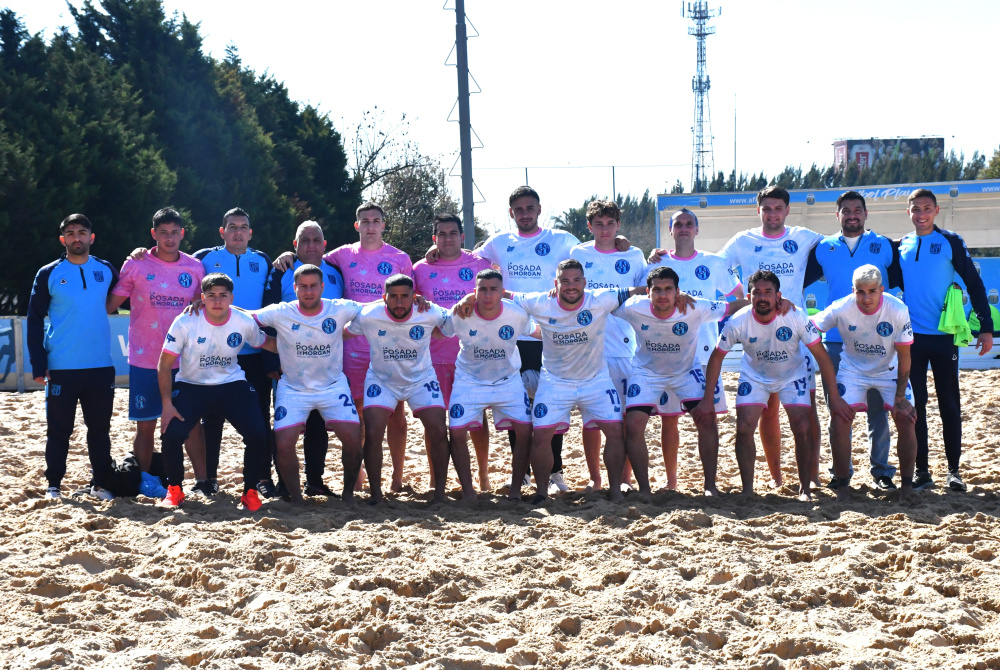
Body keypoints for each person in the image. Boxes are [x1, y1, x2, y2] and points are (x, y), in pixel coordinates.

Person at [132, 208, 278, 496]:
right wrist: (142, 253)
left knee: (259, 418)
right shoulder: (204, 258)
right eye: (232, 226)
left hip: (250, 350)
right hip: (209, 350)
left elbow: (272, 302)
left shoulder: (263, 260)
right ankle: (208, 479)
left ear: (251, 232)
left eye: (244, 226)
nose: (238, 231)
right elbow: (176, 266)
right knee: (210, 421)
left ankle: (262, 478)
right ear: (222, 231)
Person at [274, 202, 414, 492]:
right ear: (357, 225)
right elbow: (309, 257)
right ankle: (359, 475)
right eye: (365, 220)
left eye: (376, 220)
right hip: (347, 347)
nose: (371, 225)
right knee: (358, 412)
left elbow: (412, 295)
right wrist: (288, 255)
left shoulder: (399, 258)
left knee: (396, 413)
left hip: (389, 344)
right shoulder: (342, 256)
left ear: (383, 225)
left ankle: (397, 478)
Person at [699, 270, 850, 500]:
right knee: (743, 428)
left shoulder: (795, 315)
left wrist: (836, 397)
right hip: (754, 376)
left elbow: (821, 356)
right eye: (756, 292)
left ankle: (805, 489)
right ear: (749, 296)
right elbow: (717, 357)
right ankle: (748, 491)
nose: (762, 297)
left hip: (793, 374)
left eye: (767, 292)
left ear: (778, 295)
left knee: (802, 426)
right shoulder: (738, 321)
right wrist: (708, 399)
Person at [714, 186, 825, 488]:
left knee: (807, 410)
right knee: (768, 410)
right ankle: (776, 477)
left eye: (778, 208)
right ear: (758, 210)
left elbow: (838, 245)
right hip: (758, 330)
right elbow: (715, 264)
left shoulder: (803, 236)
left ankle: (811, 477)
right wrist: (739, 296)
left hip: (795, 331)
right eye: (767, 209)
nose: (772, 214)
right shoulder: (744, 240)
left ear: (787, 210)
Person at [506, 259, 641, 502]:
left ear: (584, 283)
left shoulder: (599, 299)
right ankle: (541, 493)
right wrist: (469, 299)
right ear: (555, 284)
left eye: (576, 280)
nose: (571, 286)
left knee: (615, 431)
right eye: (565, 281)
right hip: (555, 381)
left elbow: (637, 290)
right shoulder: (540, 302)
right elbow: (503, 293)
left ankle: (614, 491)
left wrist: (675, 293)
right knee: (542, 435)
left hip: (596, 380)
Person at [616, 266, 748, 496]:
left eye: (669, 289)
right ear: (648, 292)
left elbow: (736, 305)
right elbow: (598, 302)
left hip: (686, 372)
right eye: (657, 290)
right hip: (646, 373)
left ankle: (710, 486)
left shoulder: (694, 307)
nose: (663, 295)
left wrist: (777, 301)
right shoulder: (633, 307)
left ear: (679, 292)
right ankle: (645, 490)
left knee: (707, 420)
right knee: (633, 424)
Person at [894, 188, 993, 492]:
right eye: (915, 209)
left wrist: (985, 327)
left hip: (944, 338)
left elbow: (975, 284)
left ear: (936, 211)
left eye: (926, 208)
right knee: (917, 406)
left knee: (949, 403)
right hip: (912, 340)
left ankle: (954, 470)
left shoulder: (950, 241)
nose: (921, 214)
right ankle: (923, 471)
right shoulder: (902, 246)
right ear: (908, 212)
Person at [803, 191, 898, 490]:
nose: (852, 214)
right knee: (838, 408)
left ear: (866, 214)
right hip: (835, 339)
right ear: (838, 215)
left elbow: (900, 286)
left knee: (877, 410)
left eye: (857, 209)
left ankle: (881, 471)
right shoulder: (823, 248)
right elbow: (795, 280)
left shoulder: (884, 246)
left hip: (876, 339)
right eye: (846, 210)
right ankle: (840, 471)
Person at [157, 273, 276, 511]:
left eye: (223, 295)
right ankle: (175, 490)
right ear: (202, 298)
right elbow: (164, 364)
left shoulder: (243, 321)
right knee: (171, 435)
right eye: (211, 295)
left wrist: (303, 341)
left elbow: (269, 344)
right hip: (192, 386)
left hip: (231, 385)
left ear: (232, 297)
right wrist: (167, 404)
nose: (217, 301)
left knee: (258, 434)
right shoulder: (186, 321)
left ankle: (250, 492)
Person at [643, 208, 742, 489]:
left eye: (689, 224)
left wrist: (716, 320)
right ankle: (672, 482)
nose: (684, 228)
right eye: (678, 225)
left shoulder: (714, 262)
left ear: (697, 230)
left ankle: (709, 483)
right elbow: (641, 298)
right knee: (668, 420)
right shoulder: (655, 263)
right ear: (671, 231)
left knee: (706, 418)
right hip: (665, 356)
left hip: (704, 355)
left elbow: (737, 297)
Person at [253, 264, 364, 504]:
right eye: (303, 286)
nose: (308, 291)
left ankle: (347, 495)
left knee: (354, 438)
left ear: (323, 287)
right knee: (283, 443)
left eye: (314, 286)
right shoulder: (281, 311)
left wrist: (414, 304)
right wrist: (211, 305)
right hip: (293, 388)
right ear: (294, 288)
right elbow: (244, 316)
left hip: (333, 386)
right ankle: (297, 499)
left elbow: (374, 310)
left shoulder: (339, 308)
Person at [28, 214, 119, 500]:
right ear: (62, 239)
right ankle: (54, 484)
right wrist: (38, 363)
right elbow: (33, 319)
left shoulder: (106, 270)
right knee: (59, 430)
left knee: (100, 430)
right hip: (62, 367)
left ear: (91, 237)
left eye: (82, 232)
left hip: (100, 366)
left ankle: (100, 483)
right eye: (70, 233)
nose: (76, 237)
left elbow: (129, 292)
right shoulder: (48, 273)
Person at [107, 208, 205, 474]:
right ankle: (146, 479)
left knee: (191, 423)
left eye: (174, 232)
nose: (169, 238)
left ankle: (203, 481)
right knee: (146, 424)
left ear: (182, 234)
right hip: (145, 358)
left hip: (184, 359)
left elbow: (203, 306)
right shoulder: (136, 264)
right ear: (154, 234)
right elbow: (109, 305)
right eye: (163, 233)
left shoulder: (195, 267)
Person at [811, 265, 917, 501]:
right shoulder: (842, 306)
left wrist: (900, 399)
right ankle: (843, 487)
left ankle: (907, 488)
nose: (866, 298)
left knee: (906, 418)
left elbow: (905, 357)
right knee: (839, 418)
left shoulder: (897, 309)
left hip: (889, 370)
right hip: (853, 371)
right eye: (860, 292)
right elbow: (810, 326)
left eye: (872, 291)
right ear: (853, 290)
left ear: (882, 289)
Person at [346, 274, 452, 504]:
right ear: (384, 298)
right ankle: (376, 495)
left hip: (422, 379)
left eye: (405, 296)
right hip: (382, 380)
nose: (399, 302)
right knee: (373, 432)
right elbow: (343, 331)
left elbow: (453, 322)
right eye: (393, 297)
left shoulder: (429, 312)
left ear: (415, 297)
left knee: (438, 430)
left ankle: (440, 495)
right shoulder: (368, 315)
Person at [568, 199, 647, 492]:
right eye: (598, 224)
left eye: (610, 224)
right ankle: (595, 478)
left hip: (625, 345)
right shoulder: (578, 253)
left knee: (625, 416)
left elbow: (646, 291)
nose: (604, 230)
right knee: (591, 419)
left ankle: (625, 479)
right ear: (589, 226)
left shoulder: (634, 254)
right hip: (587, 348)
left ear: (618, 225)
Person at [264, 220, 345, 497]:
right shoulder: (281, 271)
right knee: (285, 426)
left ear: (324, 244)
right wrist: (271, 361)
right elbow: (268, 317)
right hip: (289, 368)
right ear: (295, 245)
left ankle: (315, 481)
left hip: (325, 366)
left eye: (316, 240)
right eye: (304, 240)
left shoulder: (335, 273)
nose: (311, 245)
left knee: (317, 426)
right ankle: (285, 483)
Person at [441, 269, 537, 500]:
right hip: (468, 381)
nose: (487, 294)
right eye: (482, 289)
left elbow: (541, 332)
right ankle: (469, 492)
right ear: (474, 292)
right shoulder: (460, 313)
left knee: (525, 430)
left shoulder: (517, 314)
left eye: (493, 289)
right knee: (456, 432)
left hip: (508, 381)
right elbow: (437, 331)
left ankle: (515, 491)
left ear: (502, 292)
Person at [413, 214, 492, 490]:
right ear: (434, 239)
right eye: (441, 234)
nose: (447, 239)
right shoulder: (420, 269)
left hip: (473, 355)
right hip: (433, 355)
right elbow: (410, 301)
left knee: (477, 418)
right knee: (434, 421)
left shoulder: (480, 265)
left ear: (462, 237)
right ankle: (437, 480)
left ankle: (483, 475)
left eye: (452, 233)